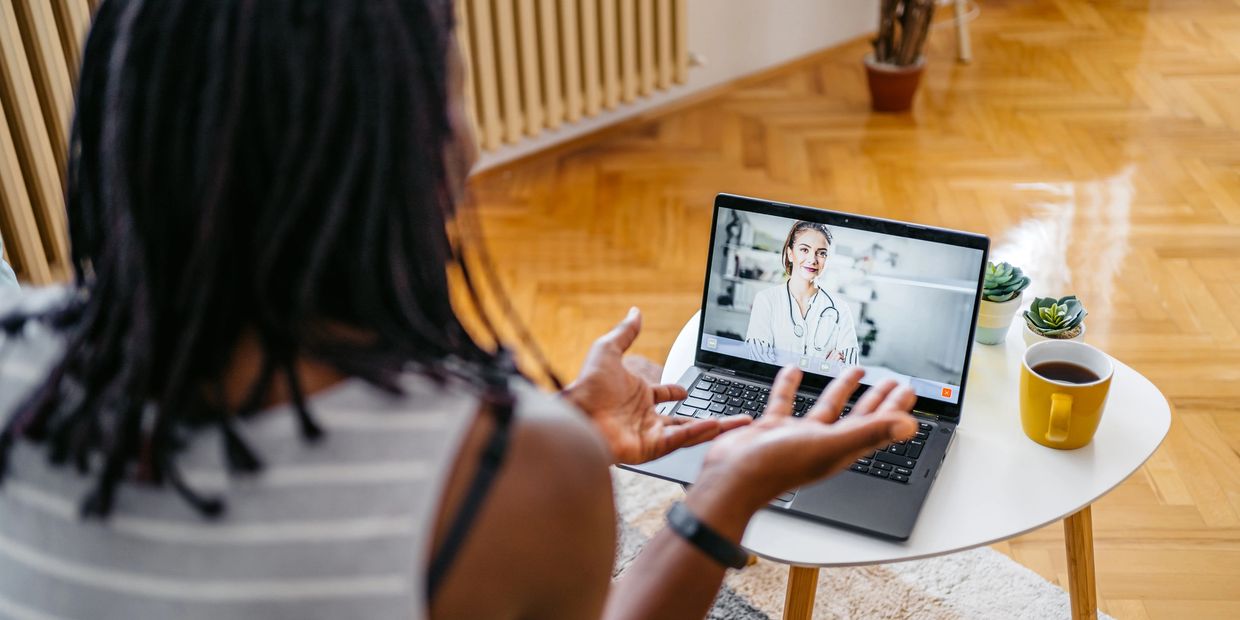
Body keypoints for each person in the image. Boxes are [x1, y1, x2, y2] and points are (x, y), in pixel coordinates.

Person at [0, 2, 917, 619]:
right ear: (411, 144)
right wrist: (727, 493)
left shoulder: (13, 361)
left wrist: (554, 429)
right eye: (453, 85)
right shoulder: (515, 478)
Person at [745, 220, 860, 367]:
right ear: (790, 253)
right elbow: (757, 362)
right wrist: (824, 370)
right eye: (805, 250)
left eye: (821, 253)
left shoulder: (841, 309)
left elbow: (850, 370)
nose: (813, 260)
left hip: (822, 392)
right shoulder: (766, 300)